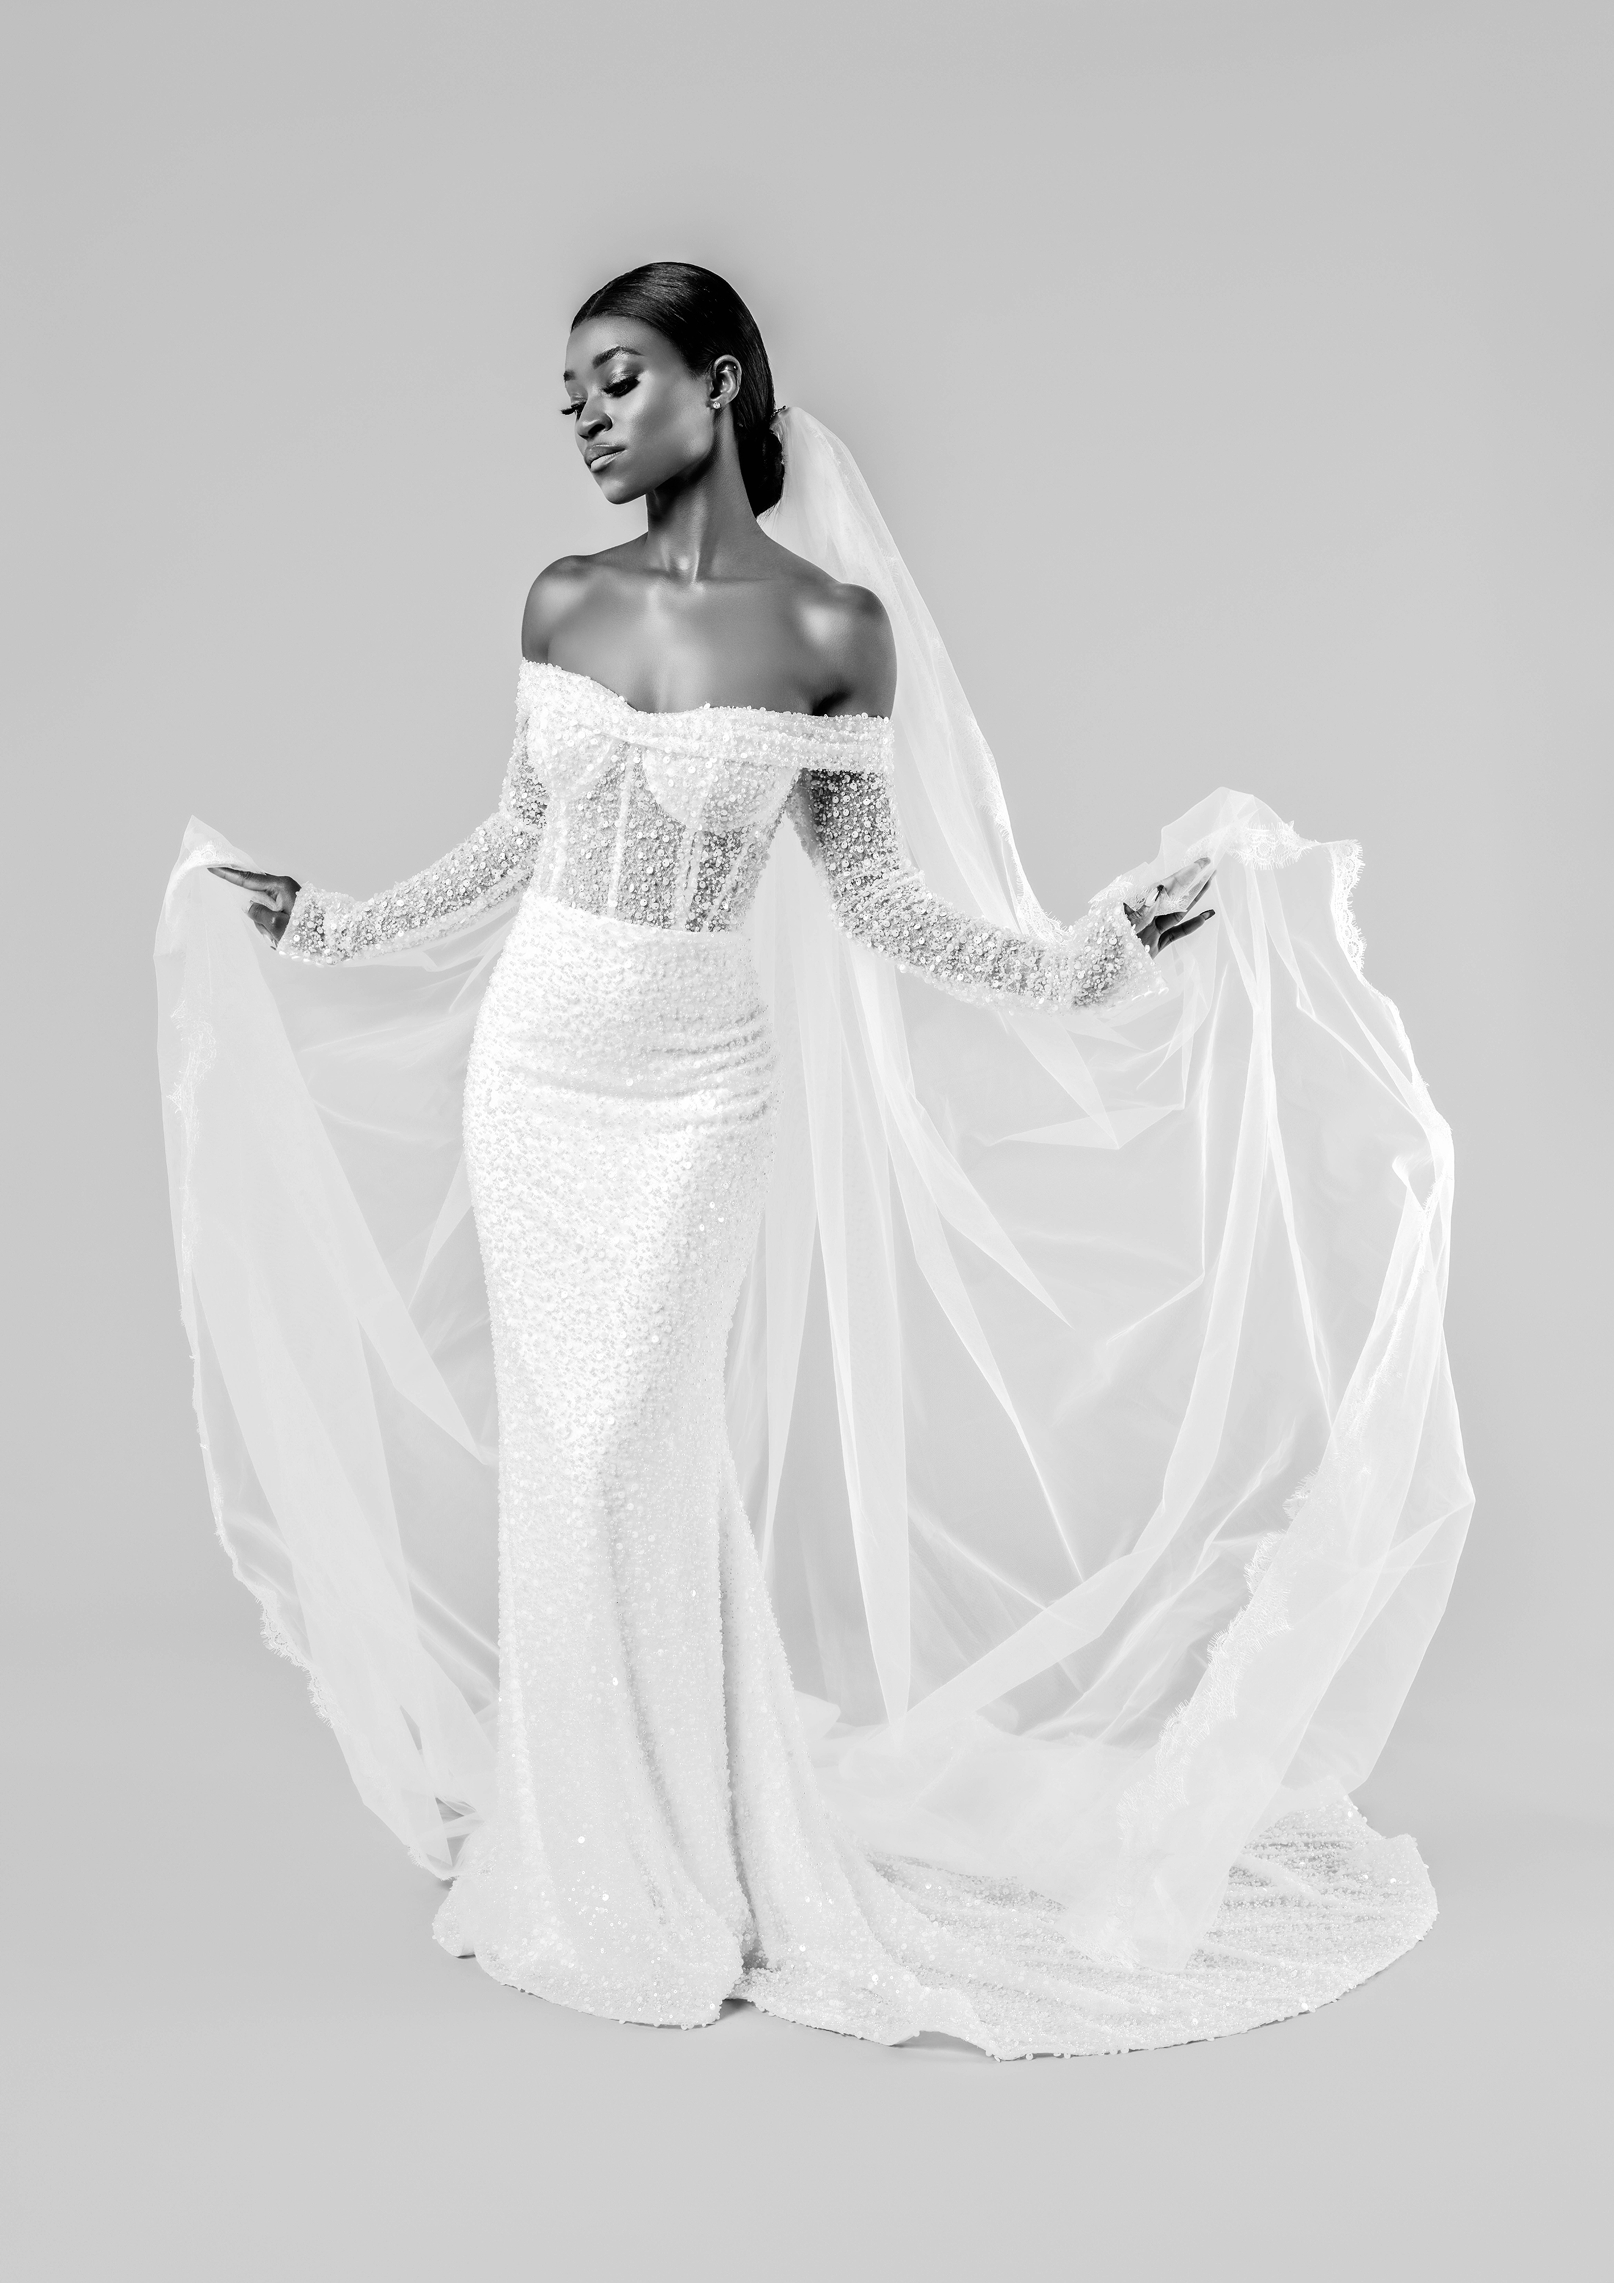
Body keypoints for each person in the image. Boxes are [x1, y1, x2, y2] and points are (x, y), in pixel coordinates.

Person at [157, 263, 1470, 2057]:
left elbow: (878, 903)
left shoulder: (837, 632)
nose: (587, 417)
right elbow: (511, 840)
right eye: (569, 394)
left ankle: (676, 1858)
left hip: (694, 1092)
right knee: (570, 1466)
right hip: (533, 1073)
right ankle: (586, 1853)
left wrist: (1086, 961)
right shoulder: (561, 600)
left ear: (718, 382)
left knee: (632, 1445)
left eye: (618, 378)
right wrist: (328, 925)